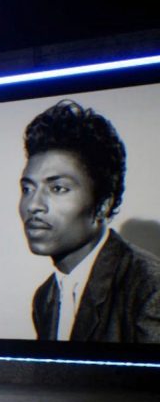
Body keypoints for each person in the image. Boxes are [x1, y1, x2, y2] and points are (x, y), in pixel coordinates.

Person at [20, 100, 160, 342]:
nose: (33, 205)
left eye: (58, 188)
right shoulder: (45, 297)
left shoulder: (149, 290)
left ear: (103, 204)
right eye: (27, 188)